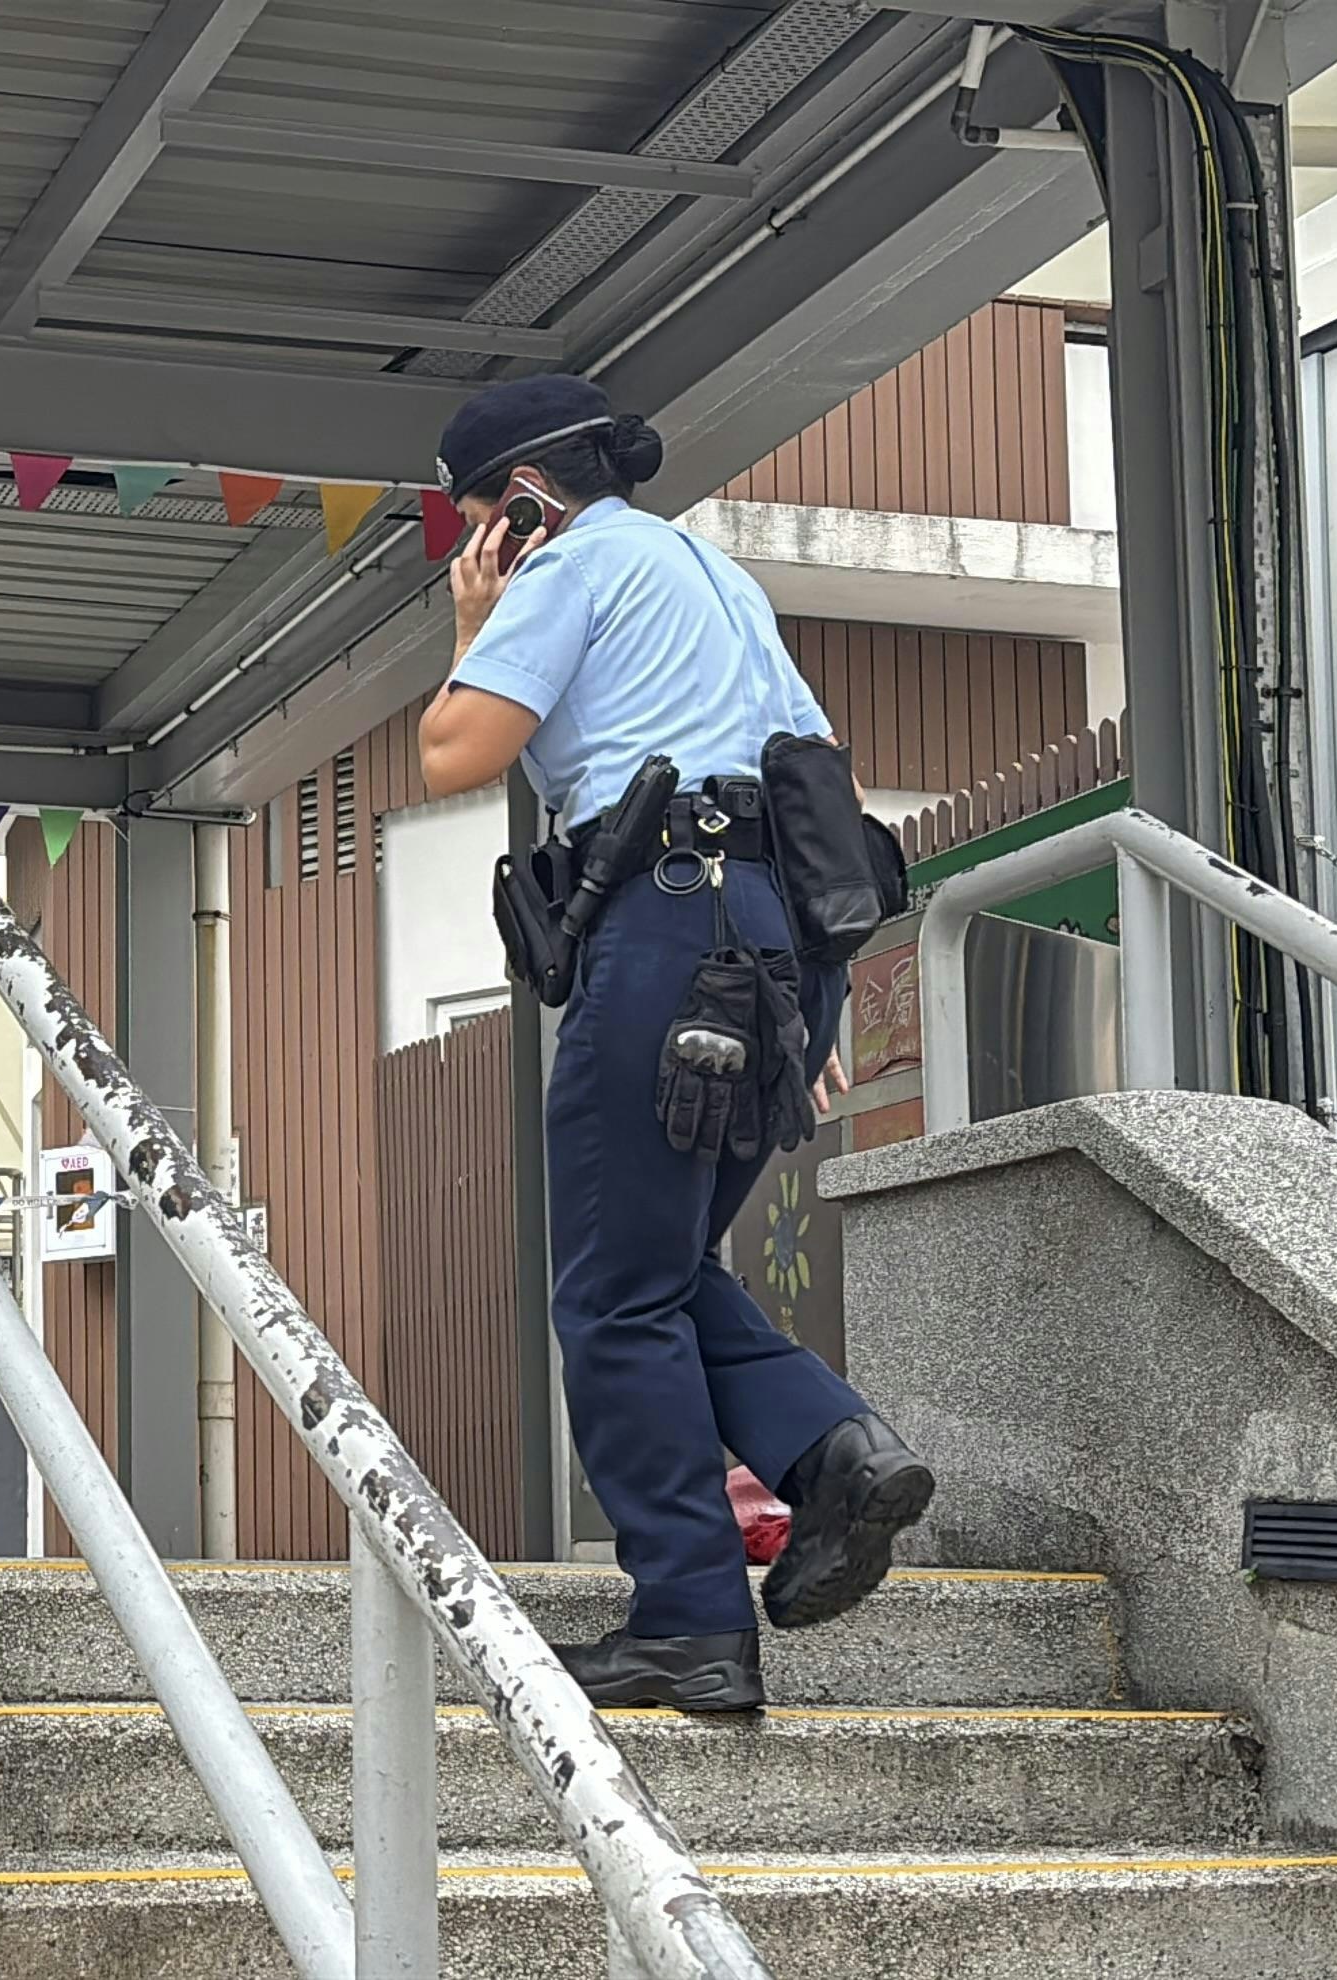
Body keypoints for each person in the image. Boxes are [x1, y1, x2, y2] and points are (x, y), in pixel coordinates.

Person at [417, 373, 928, 1714]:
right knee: (662, 1263)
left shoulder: (567, 567)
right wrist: (797, 999)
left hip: (663, 936)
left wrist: (476, 622)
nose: (468, 548)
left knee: (611, 1294)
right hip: (780, 947)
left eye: (472, 522)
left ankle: (691, 1618)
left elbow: (453, 752)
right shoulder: (716, 578)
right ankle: (830, 1449)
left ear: (523, 502)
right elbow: (831, 778)